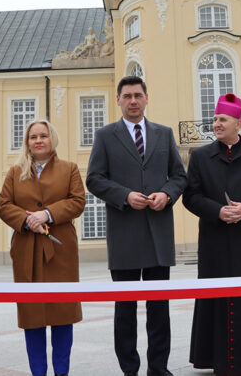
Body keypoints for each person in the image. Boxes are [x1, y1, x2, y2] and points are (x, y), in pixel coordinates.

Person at [86, 76, 187, 376]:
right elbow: (94, 179)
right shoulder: (105, 136)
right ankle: (129, 368)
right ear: (118, 100)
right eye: (127, 95)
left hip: (158, 232)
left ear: (146, 98)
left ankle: (159, 367)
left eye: (138, 95)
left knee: (159, 309)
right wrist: (125, 196)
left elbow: (180, 177)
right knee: (125, 310)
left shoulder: (164, 134)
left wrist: (166, 195)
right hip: (125, 233)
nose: (133, 100)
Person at [183, 93, 241, 375]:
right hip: (214, 240)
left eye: (222, 119)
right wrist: (217, 211)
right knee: (215, 297)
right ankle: (214, 358)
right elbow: (191, 196)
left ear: (239, 123)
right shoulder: (200, 156)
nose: (216, 124)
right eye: (214, 119)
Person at [0, 119, 86, 376]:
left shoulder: (69, 168)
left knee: (63, 313)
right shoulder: (15, 171)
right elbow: (3, 204)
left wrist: (47, 214)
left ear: (52, 139)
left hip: (60, 250)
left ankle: (61, 371)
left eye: (43, 136)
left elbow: (78, 201)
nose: (38, 140)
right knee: (32, 315)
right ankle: (38, 372)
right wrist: (26, 220)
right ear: (27, 142)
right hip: (27, 248)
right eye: (33, 137)